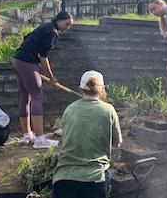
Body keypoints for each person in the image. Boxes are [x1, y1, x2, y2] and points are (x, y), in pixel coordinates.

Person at [52, 70, 122, 198]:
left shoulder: (69, 109)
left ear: (80, 89)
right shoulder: (108, 110)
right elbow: (117, 143)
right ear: (103, 90)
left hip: (63, 179)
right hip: (94, 181)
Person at [13, 11, 73, 149]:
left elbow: (27, 37)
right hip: (27, 62)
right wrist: (51, 77)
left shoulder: (45, 26)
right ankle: (40, 139)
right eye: (67, 24)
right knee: (37, 96)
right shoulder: (52, 31)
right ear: (60, 20)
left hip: (17, 60)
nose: (67, 27)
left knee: (24, 95)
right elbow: (43, 56)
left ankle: (28, 134)